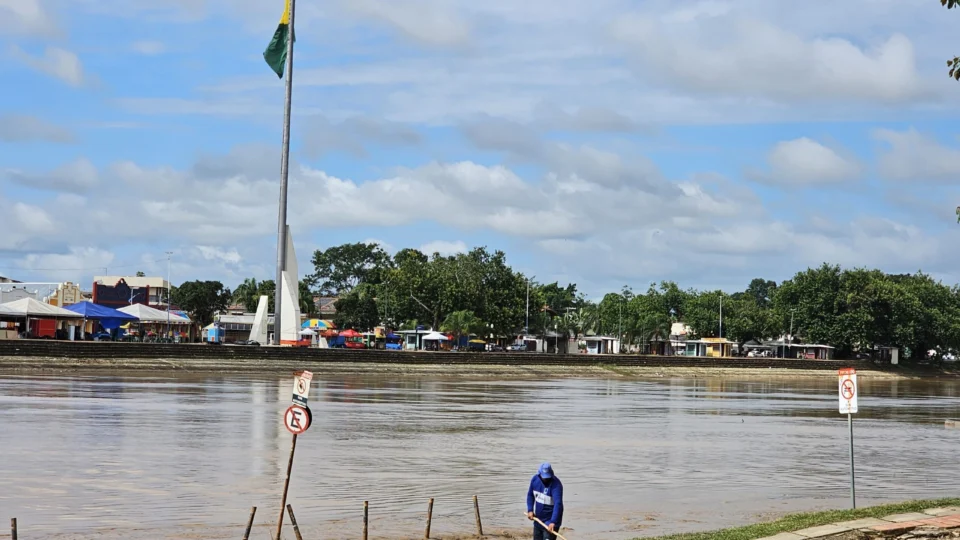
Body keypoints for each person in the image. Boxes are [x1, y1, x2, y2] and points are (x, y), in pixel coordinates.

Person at [526, 462, 563, 539]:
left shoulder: (556, 485)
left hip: (550, 522)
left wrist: (553, 522)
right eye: (544, 477)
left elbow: (558, 504)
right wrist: (530, 510)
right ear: (539, 474)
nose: (546, 480)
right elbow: (530, 495)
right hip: (538, 520)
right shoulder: (534, 480)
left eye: (547, 478)